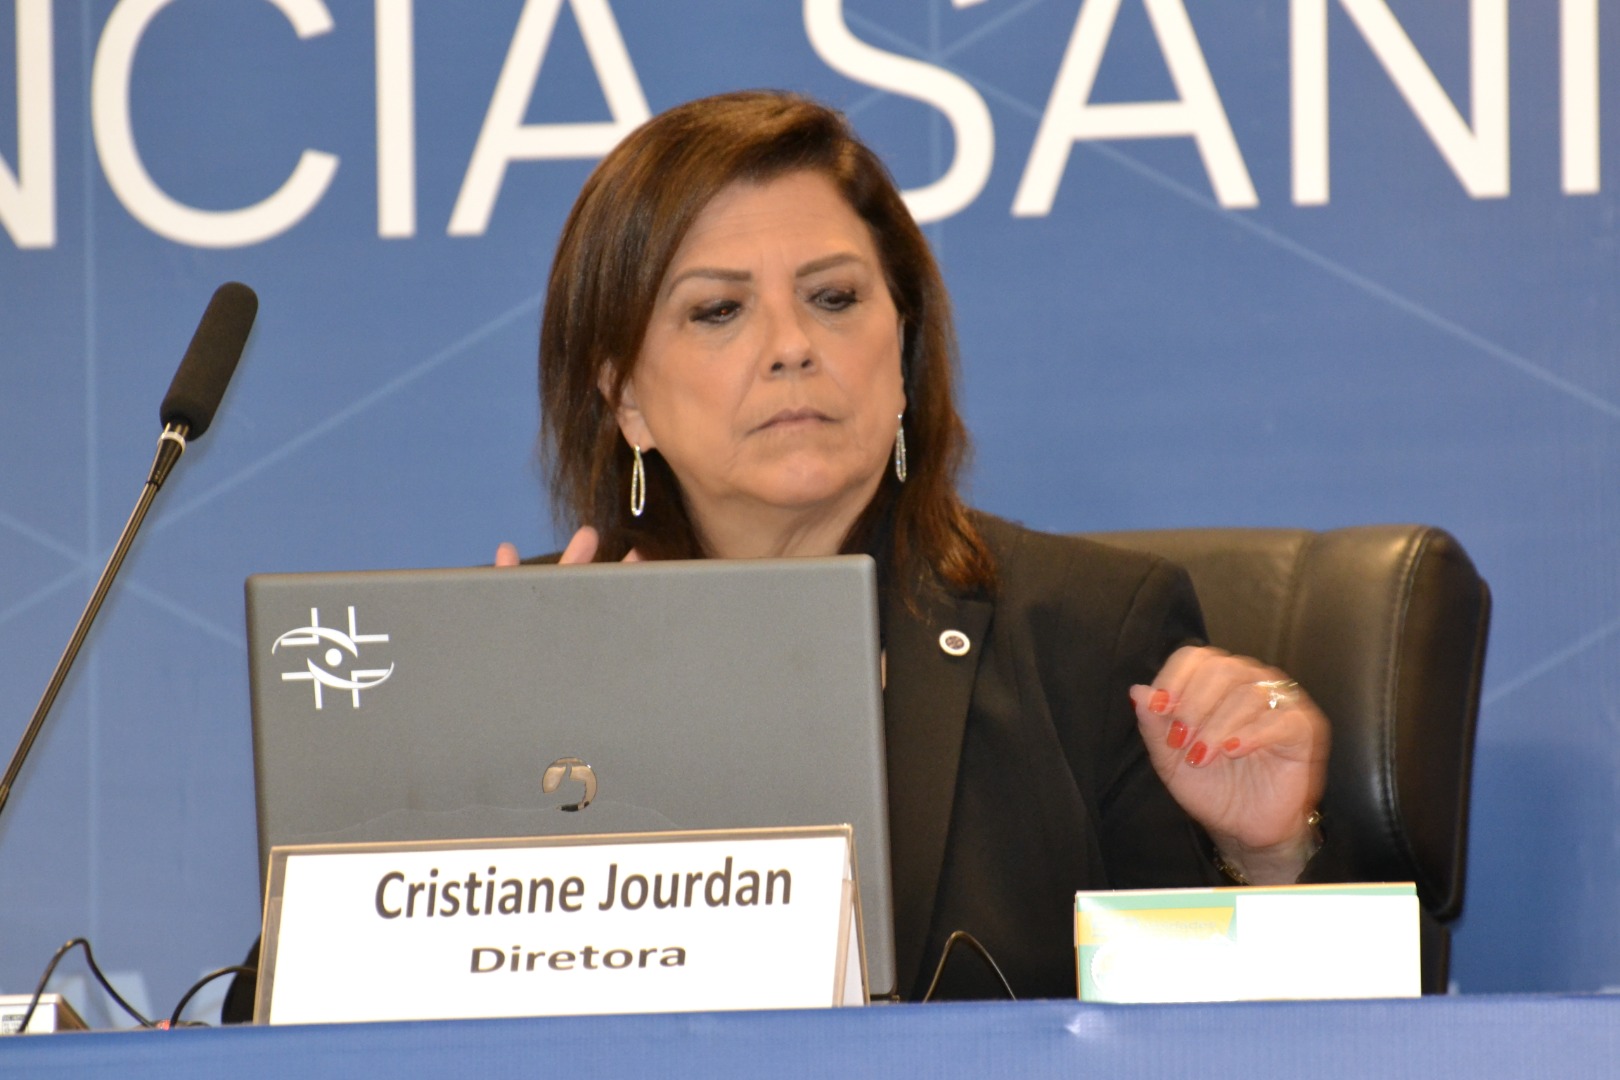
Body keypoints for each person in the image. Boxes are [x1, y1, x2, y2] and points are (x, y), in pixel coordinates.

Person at [484, 89, 1334, 1002]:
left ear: (902, 348)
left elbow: (1234, 1040)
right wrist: (511, 784)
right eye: (719, 310)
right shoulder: (518, 662)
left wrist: (1269, 860)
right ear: (625, 398)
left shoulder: (1088, 639)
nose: (791, 345)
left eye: (834, 297)